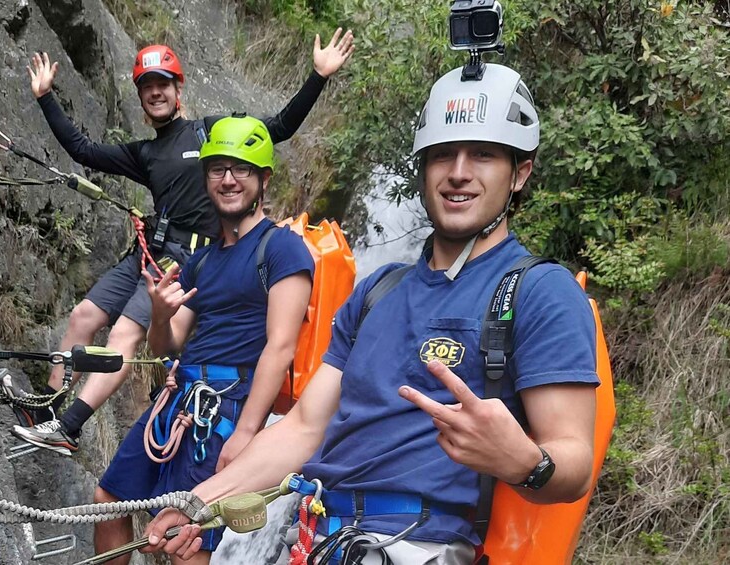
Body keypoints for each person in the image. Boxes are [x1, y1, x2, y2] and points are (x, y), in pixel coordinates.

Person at [141, 63, 600, 565]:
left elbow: (573, 461)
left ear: (521, 173)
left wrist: (525, 462)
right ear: (423, 168)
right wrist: (198, 501)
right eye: (442, 155)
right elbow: (304, 428)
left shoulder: (539, 292)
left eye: (484, 155)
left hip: (417, 545)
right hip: (320, 537)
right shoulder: (378, 291)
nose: (459, 172)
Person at [10, 31, 354, 455]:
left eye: (163, 85)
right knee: (82, 316)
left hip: (183, 258)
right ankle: (48, 410)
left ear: (178, 90)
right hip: (148, 252)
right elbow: (83, 150)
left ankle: (70, 427)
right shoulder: (144, 154)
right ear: (141, 97)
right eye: (147, 87)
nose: (155, 93)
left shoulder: (210, 135)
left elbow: (278, 127)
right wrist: (45, 97)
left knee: (123, 333)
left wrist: (318, 77)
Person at [93, 115, 315, 565]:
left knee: (184, 540)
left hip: (225, 409)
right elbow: (167, 346)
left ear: (263, 179)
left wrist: (248, 433)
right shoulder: (202, 260)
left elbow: (280, 346)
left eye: (241, 169)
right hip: (177, 399)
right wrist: (158, 315)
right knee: (109, 499)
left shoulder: (282, 249)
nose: (228, 179)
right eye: (218, 169)